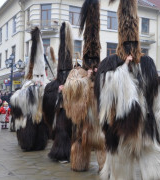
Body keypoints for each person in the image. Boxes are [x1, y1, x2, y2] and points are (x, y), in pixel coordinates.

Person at [94, 0, 160, 179]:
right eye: (127, 45)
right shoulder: (109, 64)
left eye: (134, 44)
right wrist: (122, 70)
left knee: (155, 171)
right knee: (120, 171)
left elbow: (155, 97)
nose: (131, 50)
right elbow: (103, 99)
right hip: (119, 131)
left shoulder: (147, 64)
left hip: (146, 130)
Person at [62, 0, 106, 171]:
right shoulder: (78, 73)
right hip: (82, 119)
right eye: (91, 63)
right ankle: (79, 162)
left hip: (98, 119)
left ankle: (104, 166)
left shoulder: (102, 74)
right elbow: (70, 89)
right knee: (80, 140)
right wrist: (86, 78)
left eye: (96, 64)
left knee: (101, 141)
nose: (94, 67)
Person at [10, 27, 49, 151]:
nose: (39, 79)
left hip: (40, 115)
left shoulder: (46, 85)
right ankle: (27, 142)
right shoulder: (26, 86)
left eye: (41, 76)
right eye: (37, 76)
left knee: (40, 126)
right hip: (28, 115)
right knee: (28, 126)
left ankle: (39, 143)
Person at [42, 21, 73, 163]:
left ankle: (68, 152)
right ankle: (61, 153)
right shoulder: (54, 85)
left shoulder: (71, 78)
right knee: (63, 128)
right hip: (61, 109)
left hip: (70, 109)